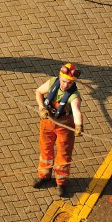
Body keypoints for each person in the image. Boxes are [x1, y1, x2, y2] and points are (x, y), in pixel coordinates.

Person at [34, 63, 84, 198]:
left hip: (64, 125)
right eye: (63, 81)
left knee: (63, 154)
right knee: (45, 149)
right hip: (47, 121)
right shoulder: (52, 83)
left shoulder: (74, 96)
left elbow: (76, 111)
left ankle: (61, 182)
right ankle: (44, 176)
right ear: (59, 77)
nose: (65, 85)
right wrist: (41, 107)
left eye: (69, 83)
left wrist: (78, 125)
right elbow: (38, 91)